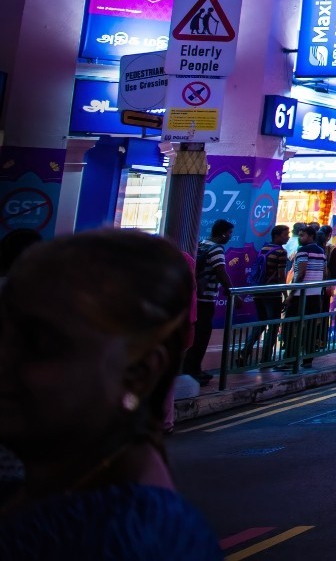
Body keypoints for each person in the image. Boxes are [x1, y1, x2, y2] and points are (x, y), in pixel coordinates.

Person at [0, 230, 223, 557]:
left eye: (40, 344)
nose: (4, 358)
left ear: (139, 374)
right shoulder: (56, 496)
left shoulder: (124, 539)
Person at [181, 219, 232, 386]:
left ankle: (191, 369)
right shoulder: (217, 249)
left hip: (196, 296)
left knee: (196, 335)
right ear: (224, 233)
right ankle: (193, 371)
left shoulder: (202, 243)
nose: (230, 237)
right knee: (202, 336)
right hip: (206, 298)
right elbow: (221, 272)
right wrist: (233, 293)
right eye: (229, 233)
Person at [238, 225, 290, 367]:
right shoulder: (281, 252)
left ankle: (244, 352)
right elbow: (280, 275)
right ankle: (266, 359)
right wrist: (285, 294)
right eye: (286, 234)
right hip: (272, 293)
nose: (288, 237)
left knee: (260, 324)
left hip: (259, 291)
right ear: (277, 235)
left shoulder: (264, 249)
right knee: (273, 325)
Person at [286, 226, 329, 367]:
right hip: (315, 294)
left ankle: (290, 358)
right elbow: (325, 273)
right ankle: (308, 358)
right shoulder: (321, 252)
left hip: (301, 295)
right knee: (310, 326)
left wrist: (291, 294)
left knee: (292, 325)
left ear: (311, 236)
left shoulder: (303, 251)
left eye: (302, 235)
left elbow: (301, 272)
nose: (300, 238)